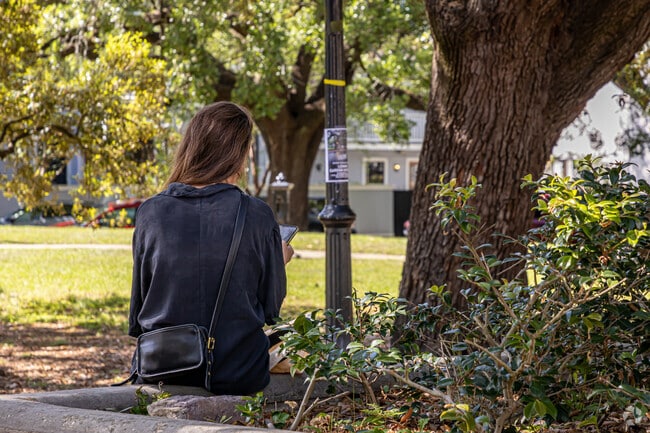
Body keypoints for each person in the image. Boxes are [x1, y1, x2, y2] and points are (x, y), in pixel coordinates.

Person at [128, 101, 293, 395]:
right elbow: (271, 309)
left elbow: (139, 311)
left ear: (191, 146)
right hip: (238, 369)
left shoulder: (150, 212)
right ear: (240, 155)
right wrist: (277, 261)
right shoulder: (257, 214)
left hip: (164, 365)